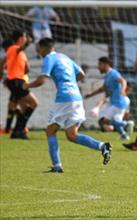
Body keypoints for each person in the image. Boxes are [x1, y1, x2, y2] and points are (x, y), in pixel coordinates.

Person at [22, 38, 112, 173]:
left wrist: (27, 85)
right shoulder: (65, 57)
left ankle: (57, 166)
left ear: (44, 48)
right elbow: (81, 74)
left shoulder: (48, 58)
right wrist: (70, 83)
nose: (38, 52)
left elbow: (42, 79)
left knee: (50, 131)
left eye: (39, 49)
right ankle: (102, 146)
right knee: (72, 135)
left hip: (64, 98)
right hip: (76, 97)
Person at [0, 30, 38, 139]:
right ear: (21, 38)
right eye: (25, 37)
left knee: (24, 107)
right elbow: (18, 50)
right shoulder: (14, 48)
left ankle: (17, 131)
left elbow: (27, 69)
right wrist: (28, 43)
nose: (26, 38)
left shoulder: (20, 52)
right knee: (34, 103)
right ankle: (18, 130)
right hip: (16, 82)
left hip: (18, 81)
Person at [85, 57, 133, 140]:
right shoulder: (107, 75)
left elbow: (123, 81)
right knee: (115, 120)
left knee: (105, 120)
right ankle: (124, 135)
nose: (98, 67)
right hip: (115, 102)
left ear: (106, 65)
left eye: (100, 64)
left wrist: (122, 90)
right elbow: (103, 88)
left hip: (119, 102)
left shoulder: (113, 73)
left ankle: (127, 124)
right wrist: (91, 94)